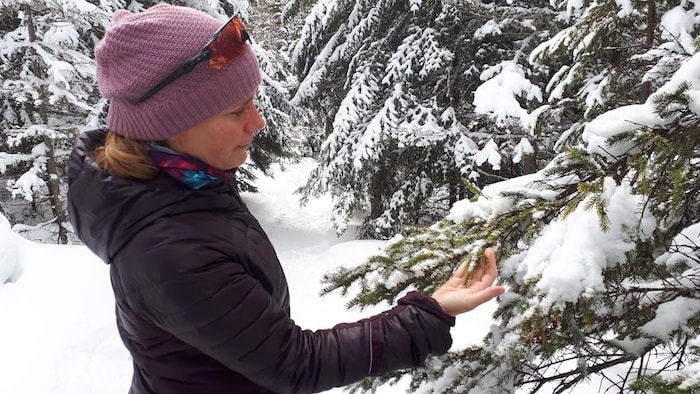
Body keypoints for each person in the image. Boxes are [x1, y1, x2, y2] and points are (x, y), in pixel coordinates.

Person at [66, 4, 505, 394]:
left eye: (252, 103)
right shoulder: (168, 250)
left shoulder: (182, 185)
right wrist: (427, 316)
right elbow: (296, 364)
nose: (256, 122)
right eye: (235, 111)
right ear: (170, 125)